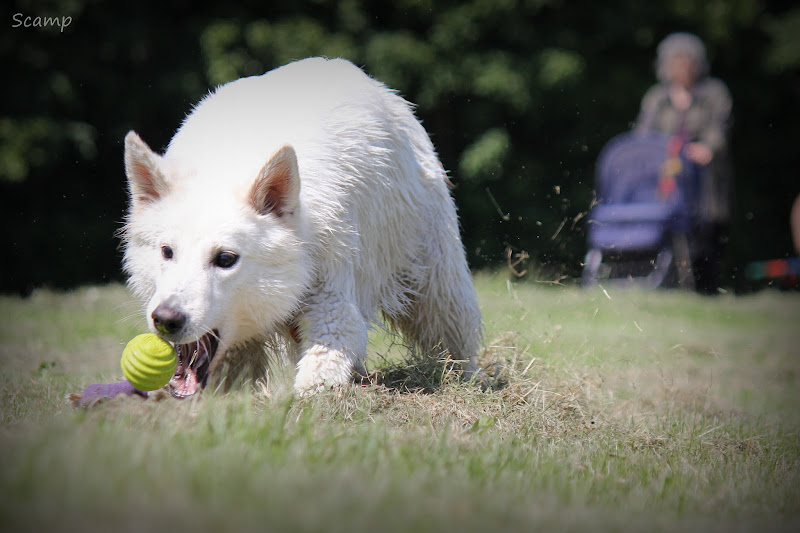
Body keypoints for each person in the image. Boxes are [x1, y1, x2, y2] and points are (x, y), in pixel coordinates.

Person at [635, 32, 733, 293]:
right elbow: (644, 137)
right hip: (667, 179)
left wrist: (706, 148)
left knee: (707, 233)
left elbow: (718, 131)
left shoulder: (714, 93)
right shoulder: (657, 98)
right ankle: (665, 284)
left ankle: (706, 290)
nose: (682, 68)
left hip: (704, 181)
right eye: (676, 62)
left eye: (687, 61)